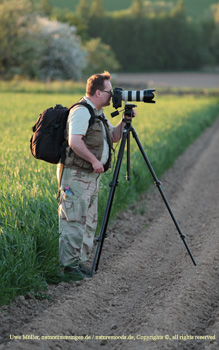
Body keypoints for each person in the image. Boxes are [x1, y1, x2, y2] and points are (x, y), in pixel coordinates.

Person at [58, 71, 136, 279]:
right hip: (77, 176)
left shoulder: (98, 113)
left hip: (91, 177)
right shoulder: (82, 111)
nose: (114, 96)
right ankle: (69, 268)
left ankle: (80, 263)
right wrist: (93, 160)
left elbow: (114, 137)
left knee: (89, 221)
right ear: (99, 92)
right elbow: (75, 141)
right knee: (74, 220)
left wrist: (123, 122)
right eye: (110, 92)